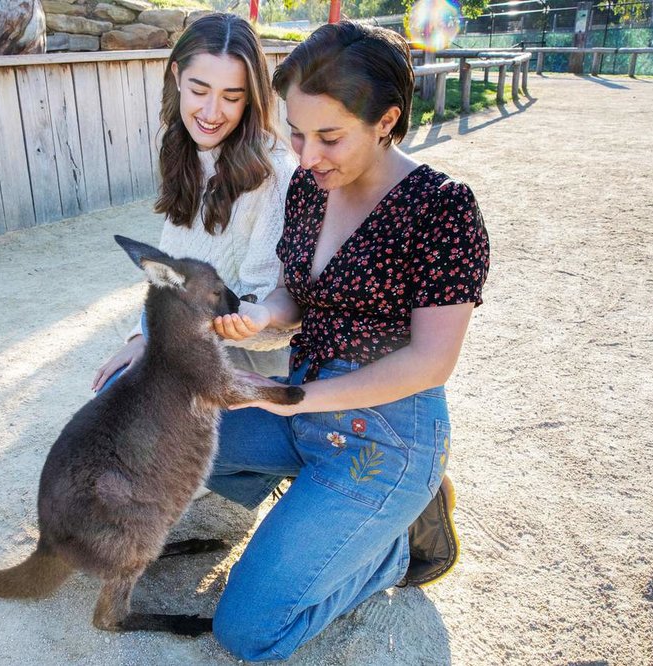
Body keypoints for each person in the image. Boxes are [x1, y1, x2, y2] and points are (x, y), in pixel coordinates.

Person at [205, 22, 490, 661]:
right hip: (300, 405)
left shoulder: (443, 208)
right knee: (164, 432)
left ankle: (393, 550)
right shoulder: (310, 186)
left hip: (387, 435)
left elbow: (431, 361)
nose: (306, 157)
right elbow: (295, 297)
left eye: (329, 137)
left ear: (386, 120)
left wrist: (291, 397)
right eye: (297, 134)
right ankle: (322, 507)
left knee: (247, 632)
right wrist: (261, 315)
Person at [91, 13, 296, 394]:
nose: (211, 112)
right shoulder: (184, 151)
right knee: (115, 394)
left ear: (251, 99)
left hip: (251, 352)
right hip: (191, 333)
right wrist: (142, 337)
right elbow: (172, 268)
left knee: (132, 404)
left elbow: (265, 303)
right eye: (199, 90)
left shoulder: (275, 174)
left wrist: (167, 344)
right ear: (176, 77)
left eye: (231, 97)